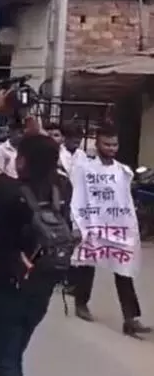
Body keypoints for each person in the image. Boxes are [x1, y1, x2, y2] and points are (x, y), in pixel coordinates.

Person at [0, 90, 75, 376]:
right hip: (39, 294)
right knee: (12, 354)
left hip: (2, 295)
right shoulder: (62, 187)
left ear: (21, 162)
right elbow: (49, 154)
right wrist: (33, 125)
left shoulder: (8, 191)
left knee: (6, 364)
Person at [68, 124, 151, 337]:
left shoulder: (122, 171)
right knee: (87, 265)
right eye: (107, 144)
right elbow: (78, 197)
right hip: (92, 225)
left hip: (117, 229)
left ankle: (130, 319)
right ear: (97, 143)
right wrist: (77, 224)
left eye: (115, 144)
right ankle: (81, 303)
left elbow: (125, 201)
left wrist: (130, 228)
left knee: (124, 270)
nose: (112, 148)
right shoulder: (85, 168)